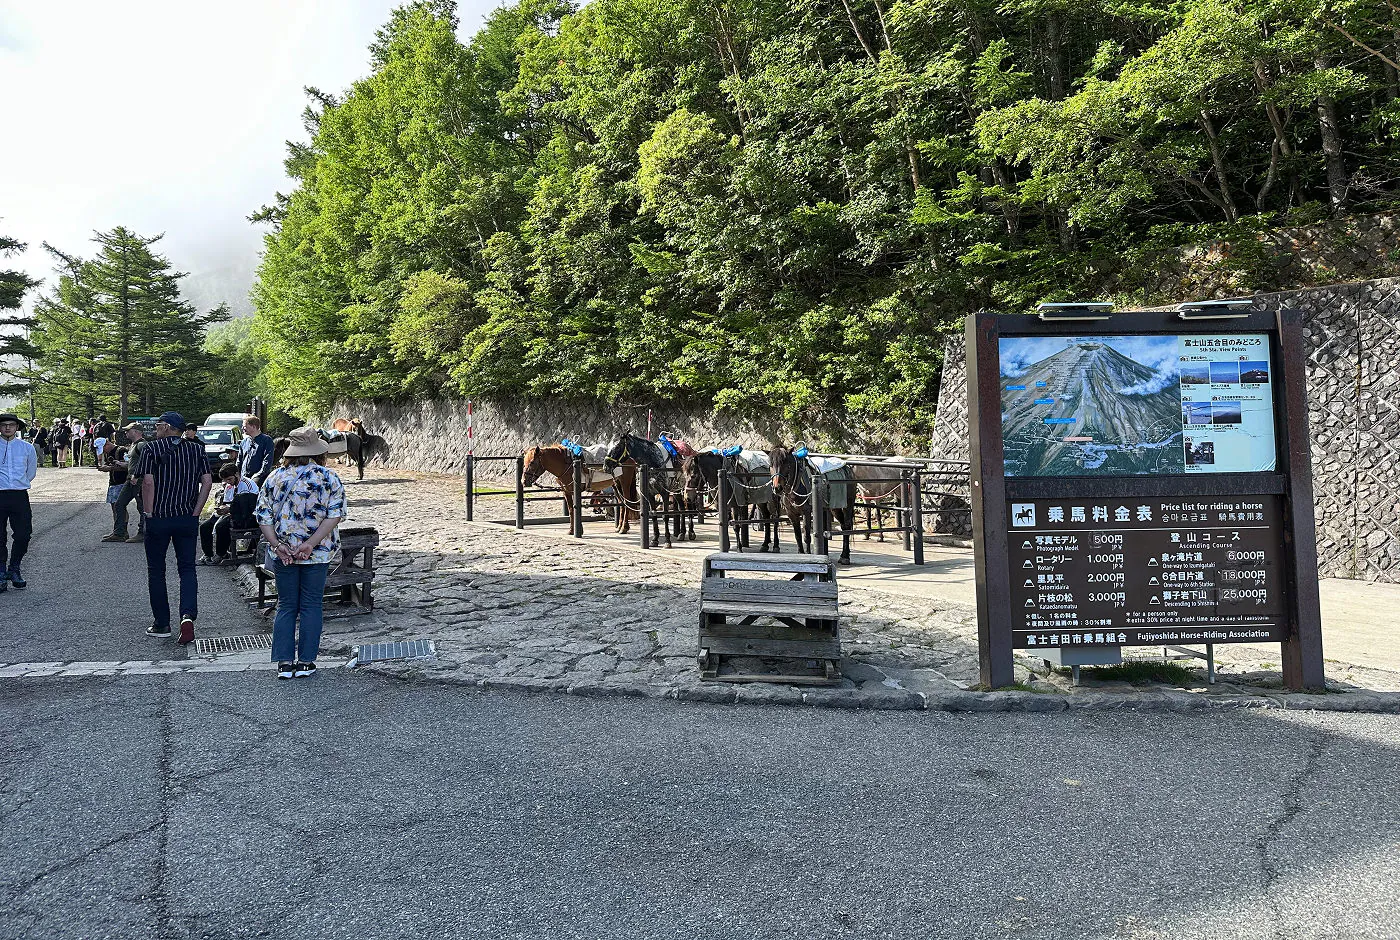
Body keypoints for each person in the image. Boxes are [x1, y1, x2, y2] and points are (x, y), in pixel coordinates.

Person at [255, 426, 346, 679]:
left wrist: (277, 545)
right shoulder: (328, 477)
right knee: (311, 605)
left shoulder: (274, 478)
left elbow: (263, 517)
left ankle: (284, 663)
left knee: (285, 605)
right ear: (317, 450)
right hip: (317, 553)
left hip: (283, 552)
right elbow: (334, 515)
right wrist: (311, 544)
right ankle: (306, 661)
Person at [141, 411, 212, 644]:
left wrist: (149, 512)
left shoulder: (150, 449)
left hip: (159, 516)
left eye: (159, 424)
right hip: (186, 516)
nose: (156, 429)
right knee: (187, 568)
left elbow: (148, 482)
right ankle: (188, 616)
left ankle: (162, 623)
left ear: (169, 427)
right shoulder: (196, 449)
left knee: (156, 570)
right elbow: (207, 481)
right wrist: (197, 509)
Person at [0, 413, 38, 592]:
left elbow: (30, 472)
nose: (7, 428)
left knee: (23, 534)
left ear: (17, 427)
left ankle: (14, 568)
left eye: (11, 425)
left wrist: (18, 483)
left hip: (19, 495)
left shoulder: (26, 448)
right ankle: (0, 572)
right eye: (4, 425)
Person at [199, 462, 257, 564]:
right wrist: (222, 509)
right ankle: (207, 554)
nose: (228, 482)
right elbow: (227, 502)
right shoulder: (229, 486)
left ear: (237, 474)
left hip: (246, 517)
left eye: (229, 479)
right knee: (205, 526)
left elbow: (248, 508)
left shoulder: (248, 485)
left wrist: (229, 510)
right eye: (225, 480)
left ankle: (221, 554)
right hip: (232, 513)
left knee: (221, 526)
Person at [108, 423, 148, 542]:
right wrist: (120, 464)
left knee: (142, 507)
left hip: (139, 480)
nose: (125, 433)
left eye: (127, 430)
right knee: (119, 504)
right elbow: (133, 463)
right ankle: (120, 533)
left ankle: (143, 533)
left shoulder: (142, 445)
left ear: (135, 431)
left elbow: (147, 461)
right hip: (130, 479)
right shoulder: (133, 445)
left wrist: (138, 475)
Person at [238, 415, 275, 485]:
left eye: (245, 426)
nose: (242, 428)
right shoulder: (244, 442)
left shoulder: (266, 441)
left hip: (259, 480)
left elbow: (267, 461)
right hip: (243, 479)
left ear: (253, 427)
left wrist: (258, 475)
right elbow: (239, 461)